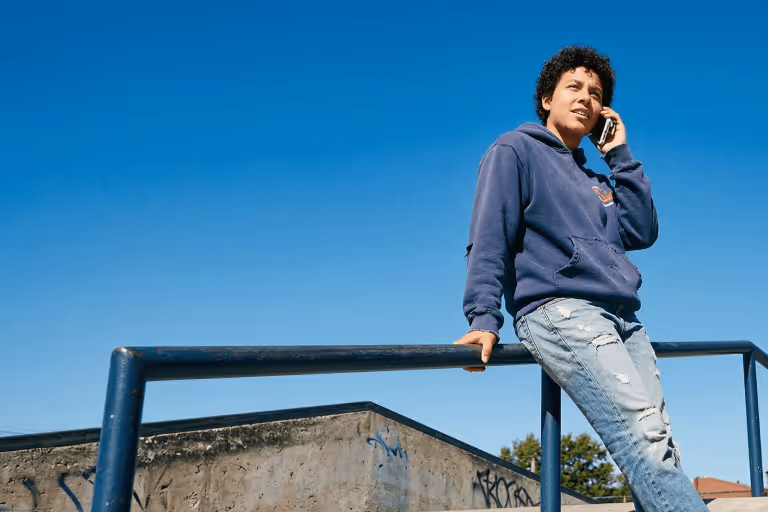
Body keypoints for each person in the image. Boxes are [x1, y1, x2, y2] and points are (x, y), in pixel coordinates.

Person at [453, 46, 707, 511]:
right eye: (574, 87)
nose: (586, 98)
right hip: (562, 309)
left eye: (596, 94)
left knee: (662, 447)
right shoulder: (514, 149)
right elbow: (489, 235)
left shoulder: (600, 181)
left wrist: (619, 155)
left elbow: (641, 231)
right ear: (547, 99)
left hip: (624, 319)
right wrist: (484, 316)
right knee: (645, 441)